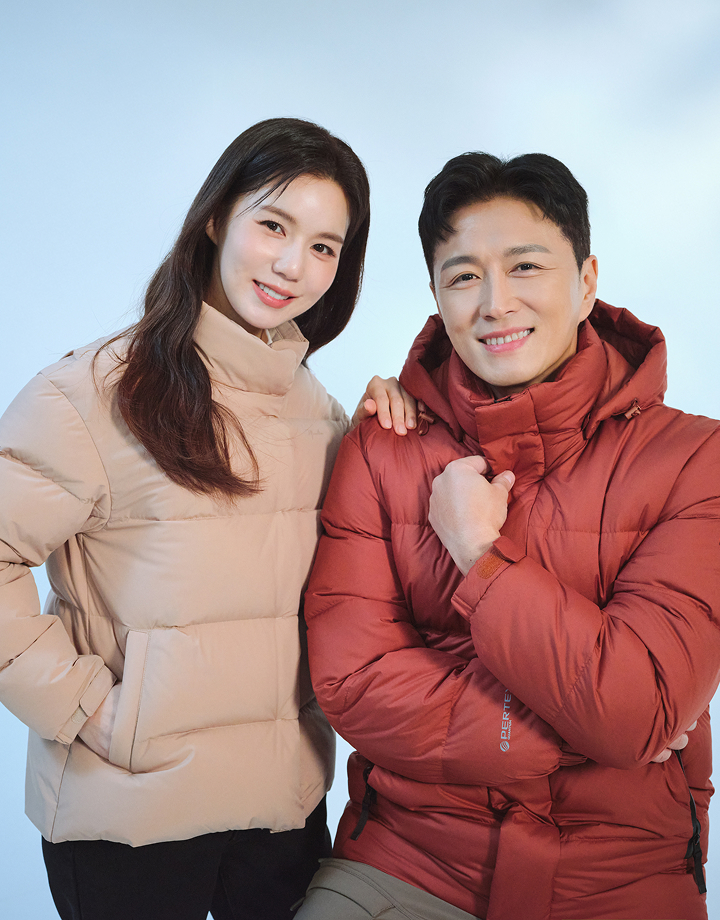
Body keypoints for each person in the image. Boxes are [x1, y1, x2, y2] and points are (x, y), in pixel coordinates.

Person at [0, 117, 415, 920]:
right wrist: (84, 705)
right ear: (218, 217)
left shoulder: (319, 414)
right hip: (127, 824)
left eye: (324, 247)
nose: (293, 265)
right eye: (274, 226)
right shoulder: (91, 394)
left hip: (280, 818)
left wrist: (392, 436)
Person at [298, 152, 720, 920]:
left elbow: (638, 710)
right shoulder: (381, 447)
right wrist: (582, 733)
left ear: (586, 282)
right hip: (407, 864)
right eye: (464, 276)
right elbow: (354, 685)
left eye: (525, 267)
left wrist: (479, 556)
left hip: (621, 882)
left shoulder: (698, 459)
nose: (495, 303)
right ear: (435, 296)